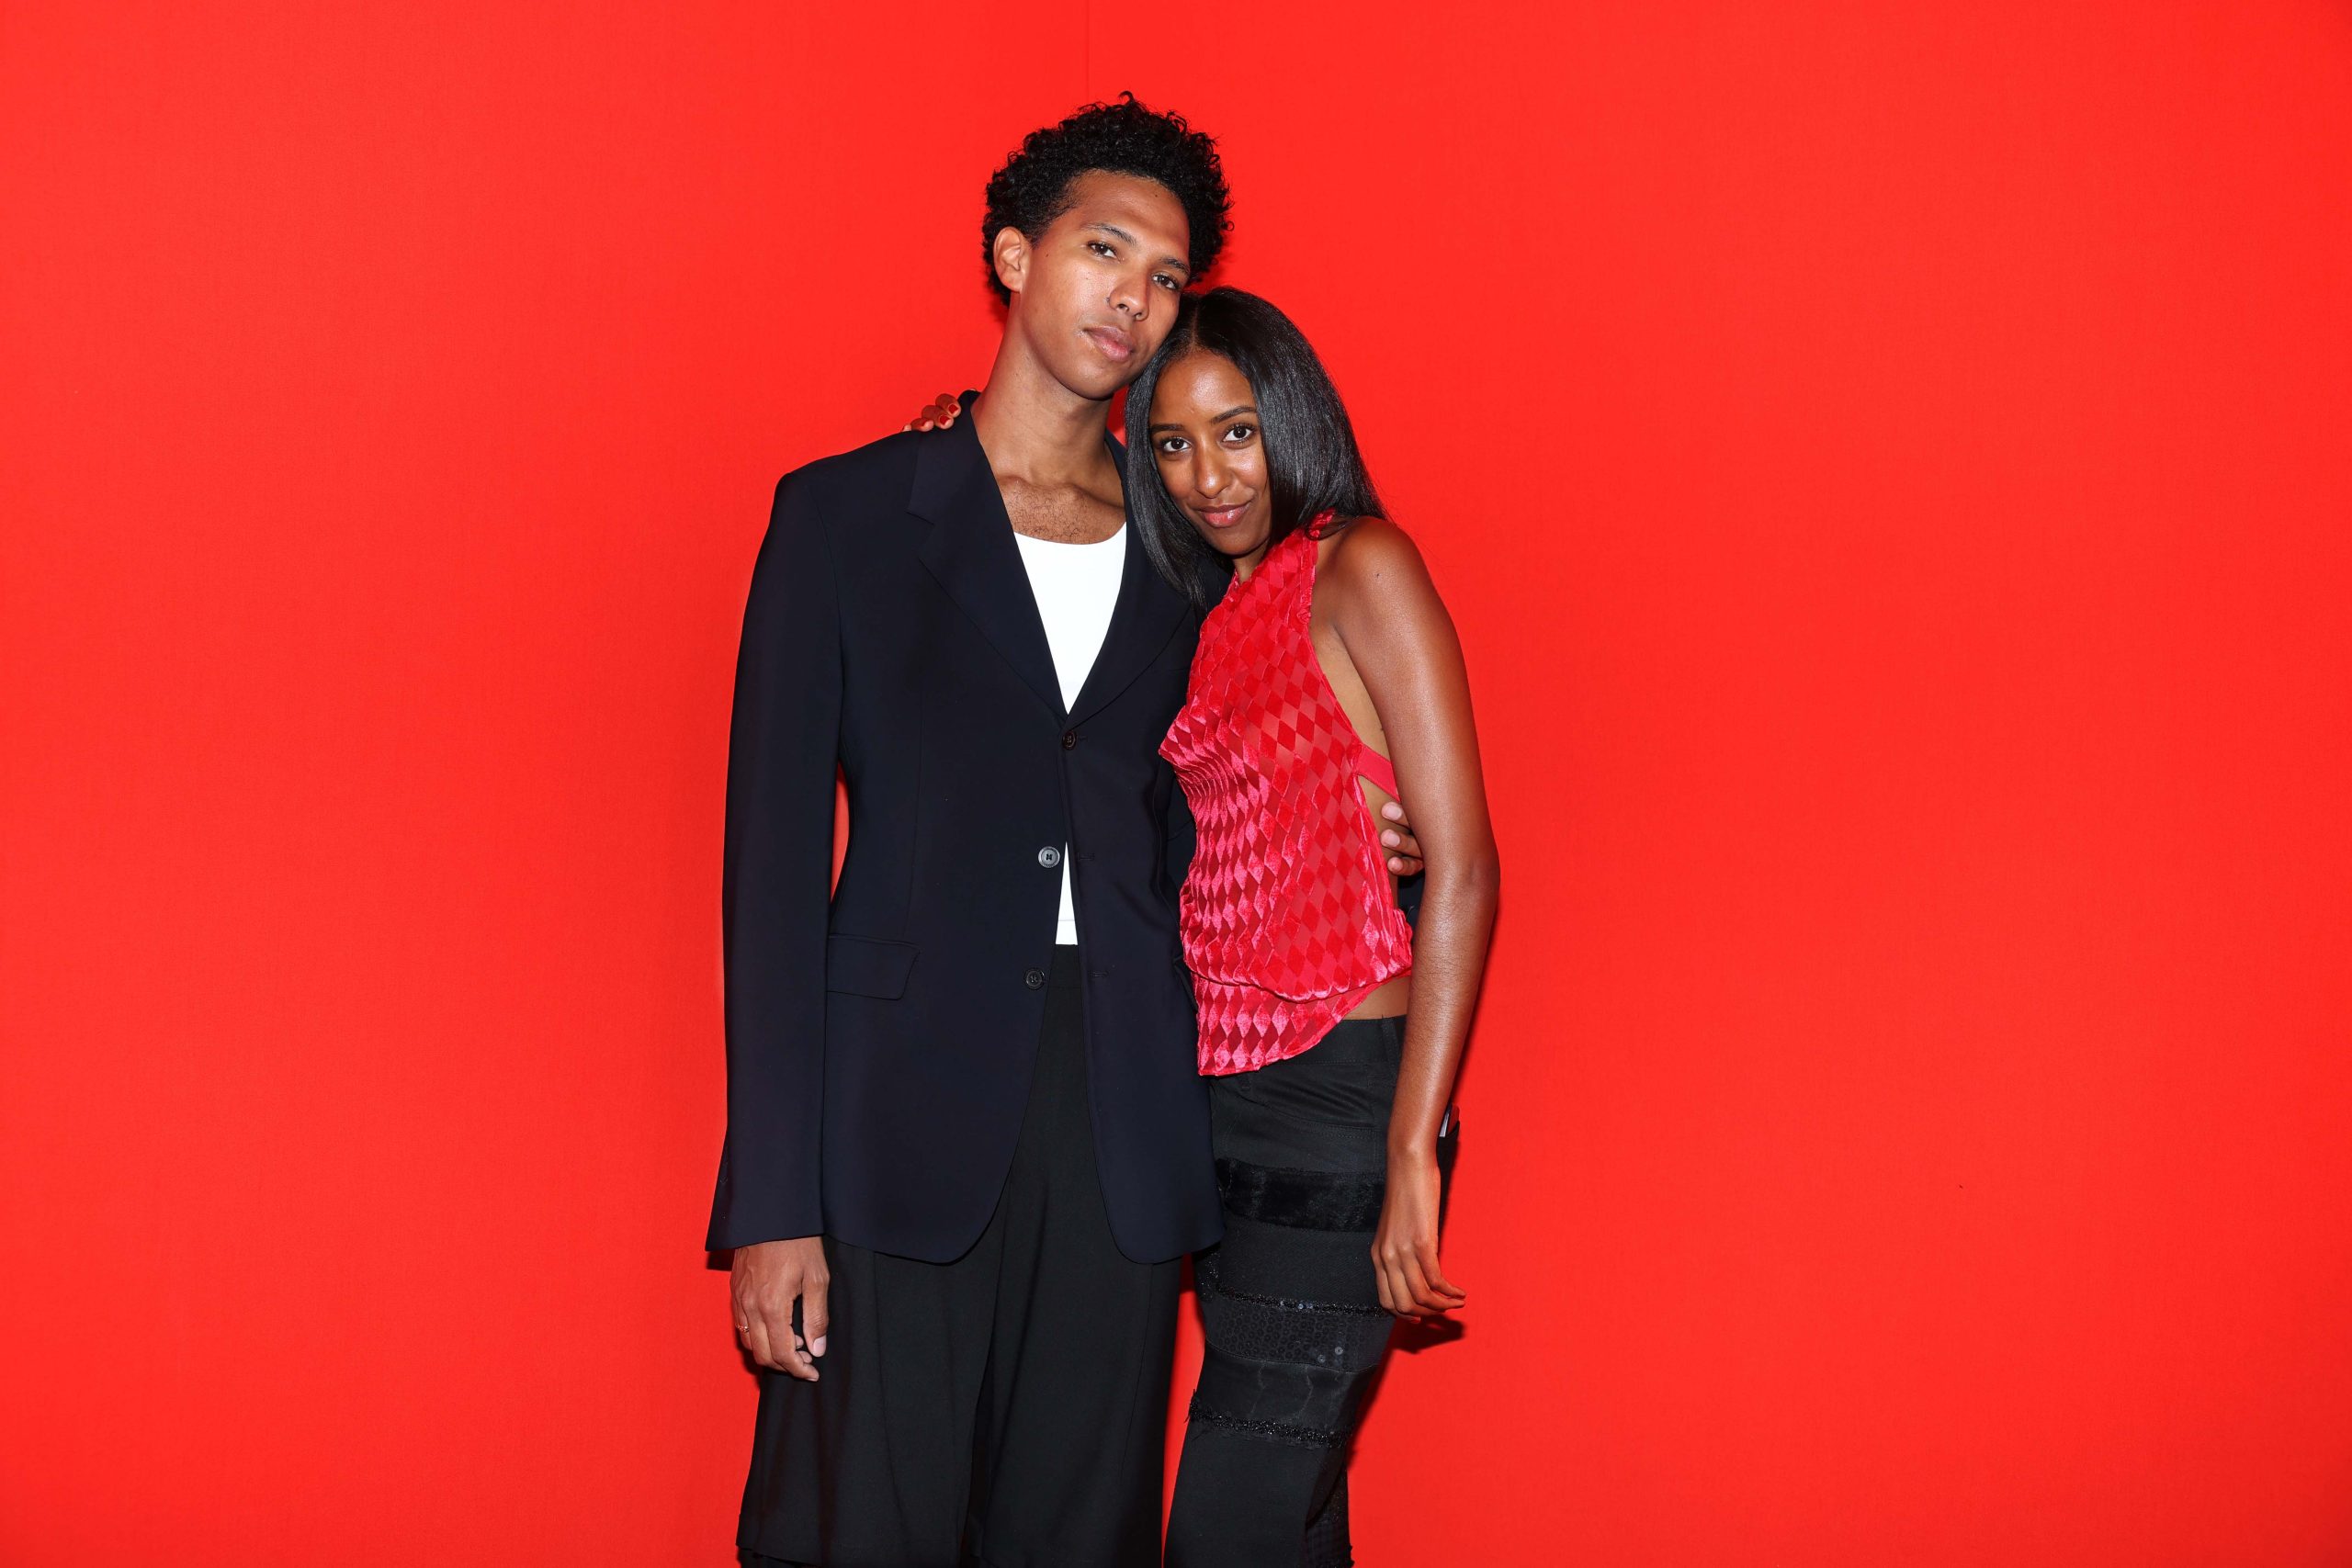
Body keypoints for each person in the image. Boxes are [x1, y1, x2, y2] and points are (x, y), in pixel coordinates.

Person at [711, 101, 1426, 1567]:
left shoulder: (1192, 556)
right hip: (891, 1125)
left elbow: (1241, 782)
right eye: (1106, 252)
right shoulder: (844, 518)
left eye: (1166, 277)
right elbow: (768, 883)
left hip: (1123, 1116)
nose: (1136, 299)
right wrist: (772, 1203)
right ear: (1013, 256)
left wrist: (1359, 824)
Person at [918, 287, 1498, 1564]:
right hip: (1221, 1105)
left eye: (1237, 432)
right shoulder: (1208, 608)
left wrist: (1414, 1148)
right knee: (1294, 1518)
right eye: (1172, 444)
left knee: (1231, 1525)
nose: (1208, 477)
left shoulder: (1362, 562)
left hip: (1341, 1106)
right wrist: (961, 445)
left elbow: (1463, 866)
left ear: (1293, 418)